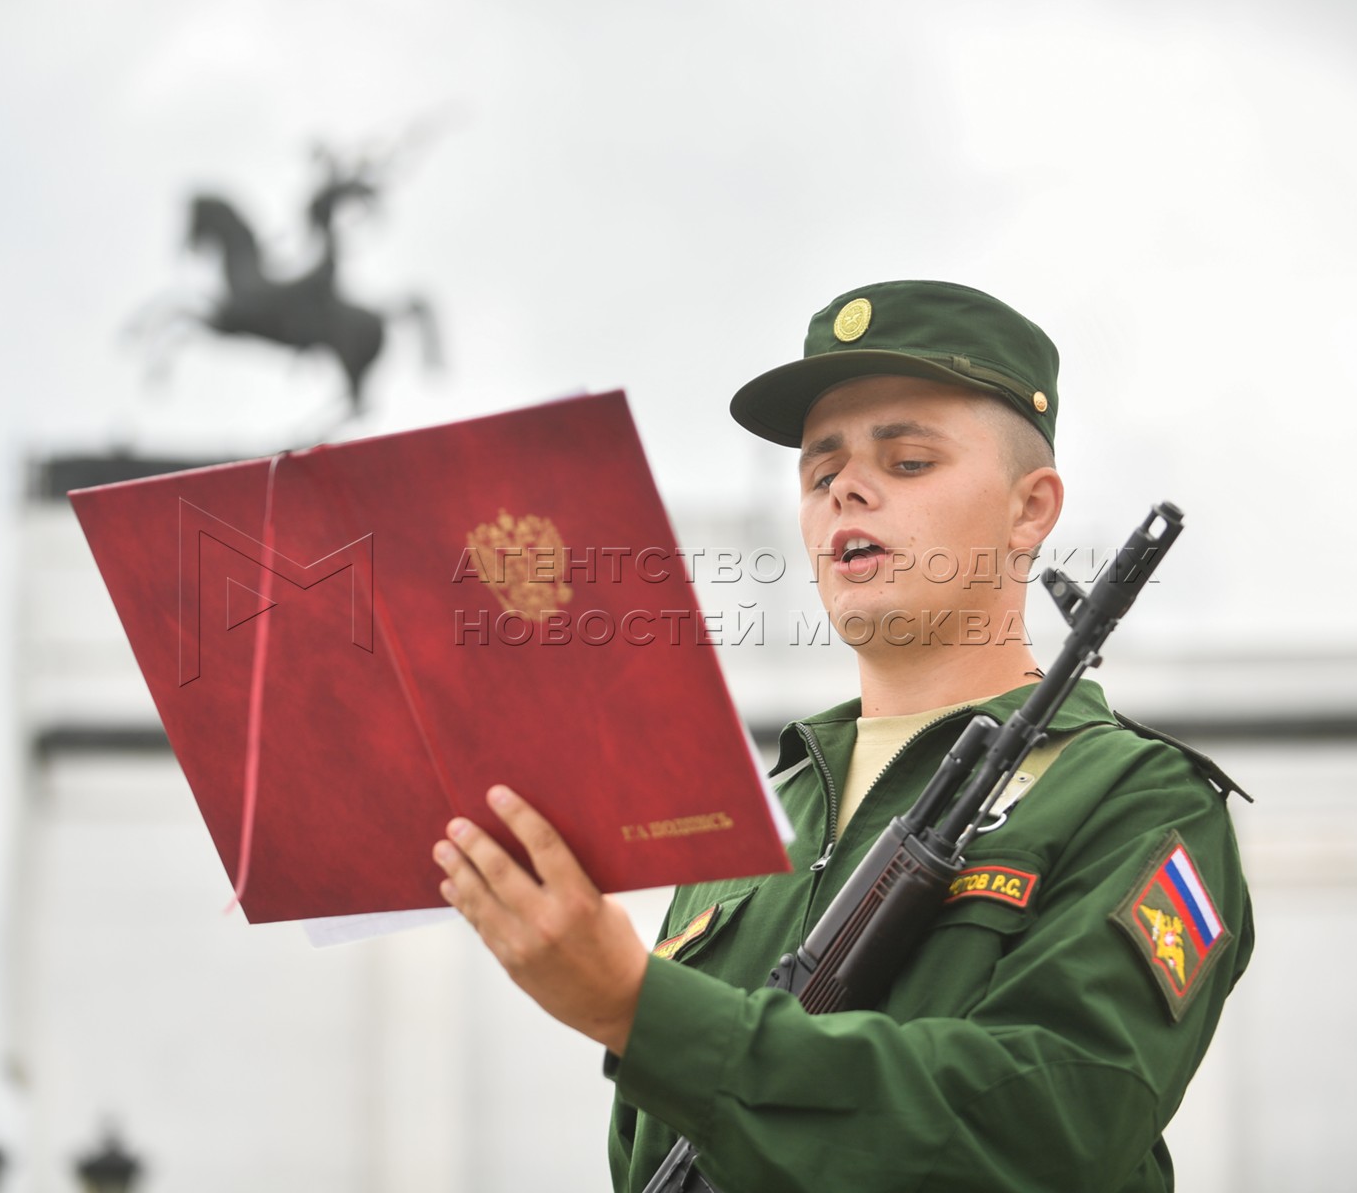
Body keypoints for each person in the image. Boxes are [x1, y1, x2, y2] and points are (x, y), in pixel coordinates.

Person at [432, 280, 1253, 1192]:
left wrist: (644, 1009)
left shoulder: (1132, 803)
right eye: (821, 475)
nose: (846, 490)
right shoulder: (750, 826)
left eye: (907, 463)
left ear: (1030, 510)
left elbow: (1050, 1128)